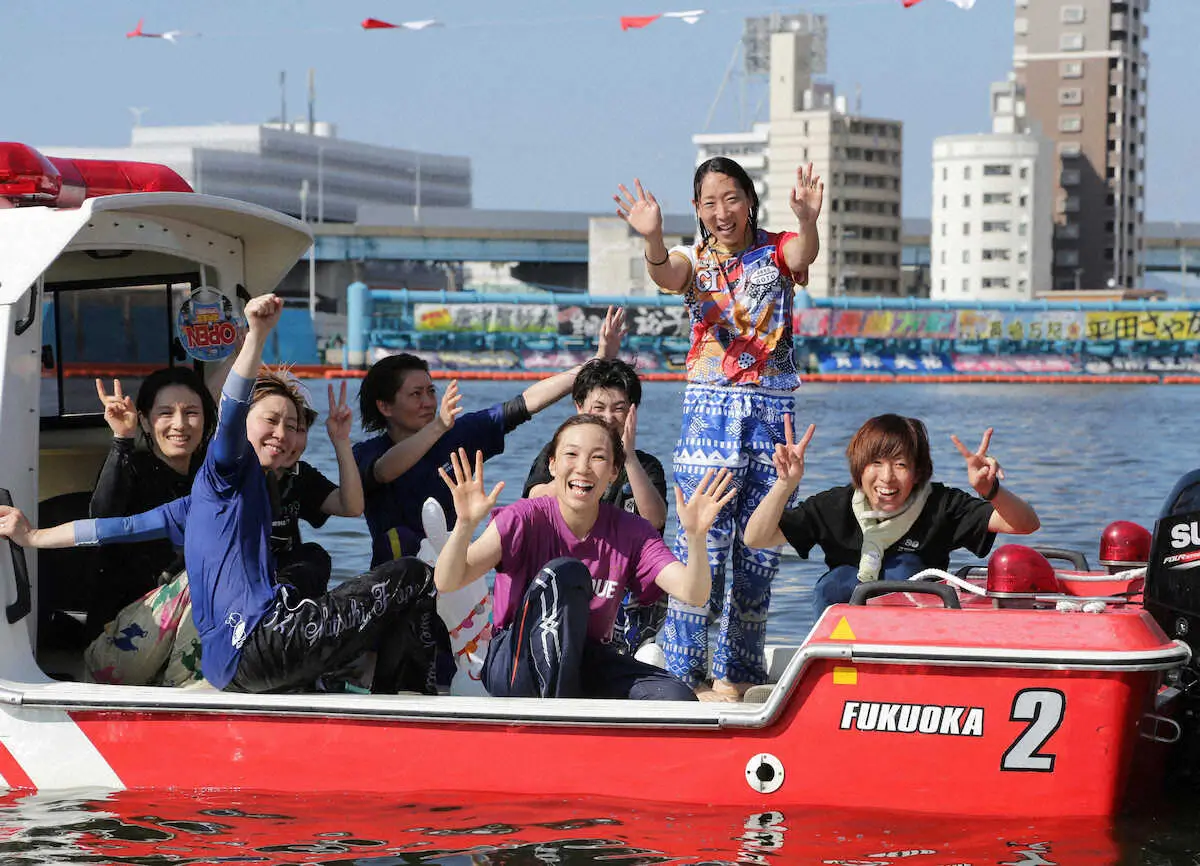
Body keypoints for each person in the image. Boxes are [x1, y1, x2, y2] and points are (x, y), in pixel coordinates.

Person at [0, 295, 437, 695]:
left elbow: (112, 528)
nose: (282, 434)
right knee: (415, 573)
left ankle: (359, 680)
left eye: (292, 426)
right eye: (271, 421)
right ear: (241, 427)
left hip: (233, 667)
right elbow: (230, 407)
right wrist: (257, 337)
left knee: (318, 565)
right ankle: (406, 700)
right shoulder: (225, 469)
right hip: (266, 642)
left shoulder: (196, 503)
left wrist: (34, 536)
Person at [615, 157, 822, 700]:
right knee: (698, 542)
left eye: (730, 199)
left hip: (772, 417)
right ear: (698, 210)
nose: (721, 212)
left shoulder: (776, 250)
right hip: (710, 416)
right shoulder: (693, 257)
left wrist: (809, 221)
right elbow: (667, 274)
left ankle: (737, 675)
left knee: (759, 553)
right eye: (708, 203)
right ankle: (683, 674)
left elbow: (803, 254)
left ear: (749, 200)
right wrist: (654, 238)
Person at [433, 414, 737, 700]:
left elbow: (693, 594)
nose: (583, 468)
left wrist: (696, 538)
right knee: (565, 574)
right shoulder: (523, 518)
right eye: (571, 455)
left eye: (598, 457)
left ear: (614, 472)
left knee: (674, 696)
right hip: (515, 661)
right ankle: (557, 717)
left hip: (584, 658)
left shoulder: (632, 531)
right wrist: (464, 525)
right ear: (552, 465)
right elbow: (448, 581)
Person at [353, 307, 625, 568]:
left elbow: (524, 403)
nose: (428, 402)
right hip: (391, 581)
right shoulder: (368, 452)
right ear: (385, 406)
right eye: (416, 394)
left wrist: (595, 363)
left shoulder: (458, 434)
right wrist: (437, 427)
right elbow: (384, 471)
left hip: (451, 575)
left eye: (431, 391)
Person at [744, 414, 1041, 620]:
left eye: (900, 464)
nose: (887, 478)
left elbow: (1025, 524)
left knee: (905, 571)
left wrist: (991, 490)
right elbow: (756, 538)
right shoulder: (834, 505)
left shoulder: (941, 504)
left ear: (918, 472)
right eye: (875, 463)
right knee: (836, 581)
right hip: (844, 652)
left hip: (917, 646)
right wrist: (785, 484)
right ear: (860, 467)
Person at [522, 358, 668, 655]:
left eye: (619, 408)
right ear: (579, 408)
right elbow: (532, 503)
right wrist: (578, 466)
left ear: (632, 412)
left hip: (623, 591)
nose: (608, 418)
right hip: (568, 580)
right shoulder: (559, 455)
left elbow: (655, 520)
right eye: (598, 408)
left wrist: (626, 457)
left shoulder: (646, 466)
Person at [88, 369, 217, 637]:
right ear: (145, 422)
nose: (180, 424)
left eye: (191, 413)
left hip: (193, 618)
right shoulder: (131, 469)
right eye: (166, 413)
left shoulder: (211, 475)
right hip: (129, 627)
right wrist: (122, 438)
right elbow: (101, 518)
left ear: (206, 420)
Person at [267, 378, 364, 601]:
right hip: (244, 578)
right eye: (273, 423)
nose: (285, 438)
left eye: (298, 429)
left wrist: (341, 442)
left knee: (314, 557)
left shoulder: (300, 475)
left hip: (288, 579)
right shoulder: (237, 474)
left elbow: (352, 507)